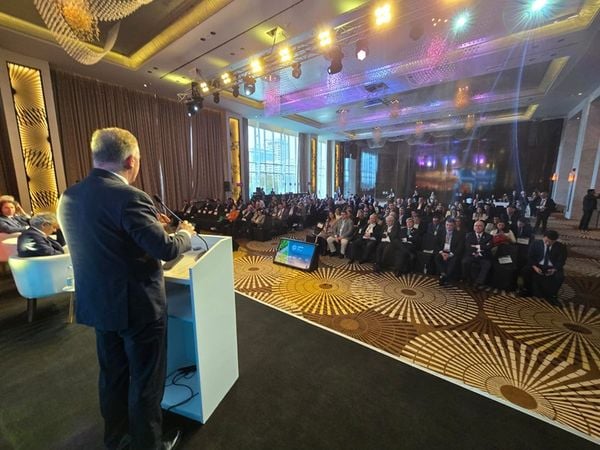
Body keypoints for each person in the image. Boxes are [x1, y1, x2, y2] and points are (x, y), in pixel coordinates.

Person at [58, 128, 194, 450]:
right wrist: (184, 232)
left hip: (99, 305)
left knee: (113, 377)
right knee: (146, 382)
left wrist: (147, 227)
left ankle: (117, 440)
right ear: (131, 160)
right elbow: (167, 250)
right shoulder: (130, 197)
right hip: (138, 308)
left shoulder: (70, 196)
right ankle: (149, 444)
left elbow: (104, 241)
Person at [520, 230, 567, 304]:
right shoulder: (536, 243)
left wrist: (554, 269)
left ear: (555, 241)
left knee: (560, 276)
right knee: (525, 270)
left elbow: (561, 261)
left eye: (550, 242)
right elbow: (530, 257)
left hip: (552, 267)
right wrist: (534, 267)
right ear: (543, 237)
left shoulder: (561, 247)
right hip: (538, 265)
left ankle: (553, 295)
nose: (547, 243)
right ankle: (527, 289)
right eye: (546, 240)